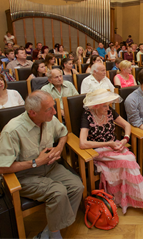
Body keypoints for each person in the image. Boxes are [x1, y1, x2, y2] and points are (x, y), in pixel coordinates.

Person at [0, 91, 83, 239]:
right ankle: (54, 234)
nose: (55, 111)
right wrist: (35, 162)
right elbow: (3, 167)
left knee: (77, 186)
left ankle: (47, 231)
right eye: (49, 109)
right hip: (25, 176)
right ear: (32, 113)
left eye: (53, 106)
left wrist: (59, 148)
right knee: (58, 192)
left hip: (50, 167)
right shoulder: (12, 131)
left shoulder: (50, 119)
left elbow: (63, 133)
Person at [80, 89, 143, 217]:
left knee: (129, 159)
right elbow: (83, 143)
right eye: (105, 105)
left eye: (109, 105)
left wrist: (125, 139)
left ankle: (132, 199)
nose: (108, 108)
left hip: (113, 146)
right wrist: (109, 144)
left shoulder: (110, 111)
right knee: (129, 159)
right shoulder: (87, 116)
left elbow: (126, 125)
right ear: (96, 106)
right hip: (98, 150)